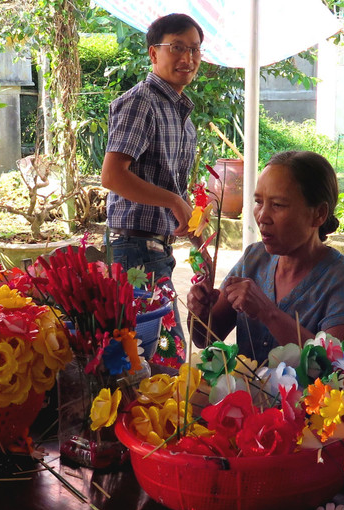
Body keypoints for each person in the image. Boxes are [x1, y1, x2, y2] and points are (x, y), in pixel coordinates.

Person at [187, 151, 344, 365]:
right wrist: (199, 312)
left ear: (319, 213)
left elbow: (340, 367)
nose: (262, 216)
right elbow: (205, 339)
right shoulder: (254, 258)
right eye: (258, 202)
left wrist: (268, 313)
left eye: (278, 205)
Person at [101, 13, 206, 358]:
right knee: (165, 357)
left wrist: (196, 235)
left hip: (157, 250)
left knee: (150, 359)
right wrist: (174, 201)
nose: (187, 58)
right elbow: (112, 176)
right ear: (153, 53)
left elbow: (171, 188)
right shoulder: (141, 101)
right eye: (177, 47)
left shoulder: (180, 115)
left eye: (194, 49)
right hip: (134, 250)